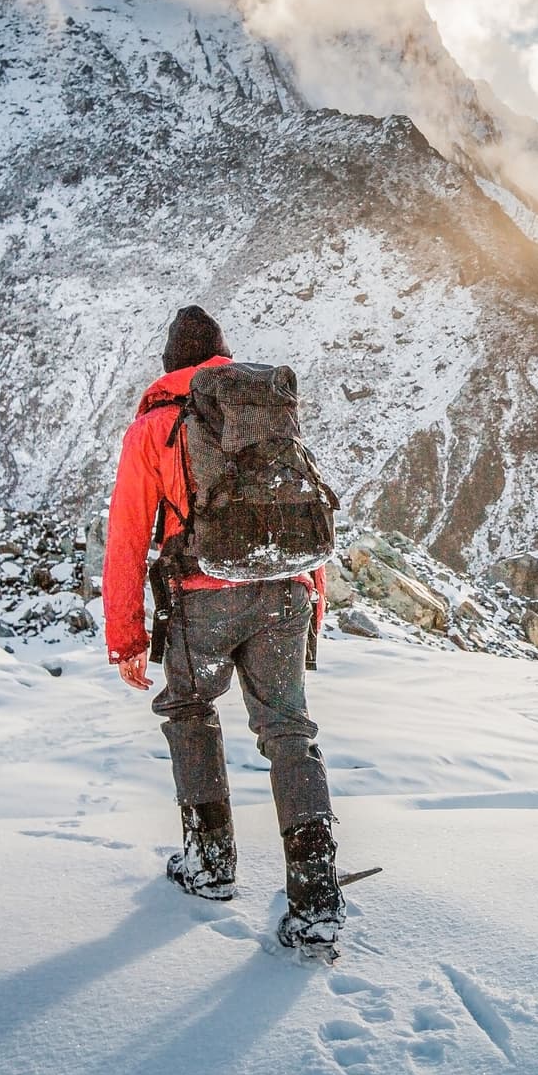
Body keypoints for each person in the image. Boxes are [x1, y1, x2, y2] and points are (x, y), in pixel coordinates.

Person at [103, 305, 343, 950]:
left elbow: (126, 538)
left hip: (201, 599)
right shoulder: (266, 414)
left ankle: (209, 862)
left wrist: (125, 638)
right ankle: (316, 895)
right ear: (222, 359)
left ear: (170, 366)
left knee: (188, 709)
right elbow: (292, 510)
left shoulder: (155, 427)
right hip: (285, 592)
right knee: (288, 730)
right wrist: (314, 602)